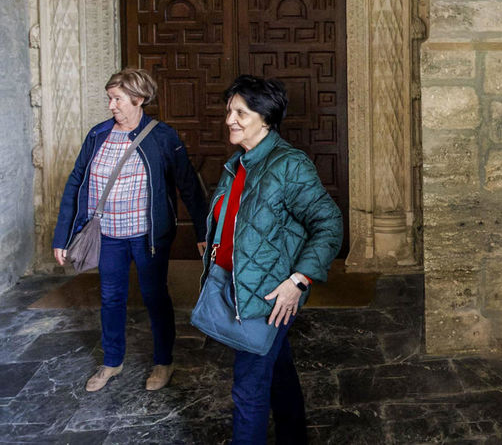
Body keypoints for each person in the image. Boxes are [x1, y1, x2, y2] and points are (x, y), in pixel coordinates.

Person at [204, 75, 342, 443]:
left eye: (240, 113)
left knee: (248, 391)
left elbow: (329, 223)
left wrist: (299, 280)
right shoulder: (239, 162)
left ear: (265, 118)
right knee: (278, 372)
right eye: (229, 111)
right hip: (239, 285)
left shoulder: (288, 165)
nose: (230, 120)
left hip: (268, 295)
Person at [52, 68, 208, 393]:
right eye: (109, 98)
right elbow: (76, 182)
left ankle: (163, 361)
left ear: (138, 99)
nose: (110, 105)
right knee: (110, 298)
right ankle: (112, 361)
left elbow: (189, 186)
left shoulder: (162, 137)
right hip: (108, 235)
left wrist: (203, 232)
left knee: (154, 296)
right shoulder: (98, 134)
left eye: (117, 99)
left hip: (147, 236)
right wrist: (62, 235)